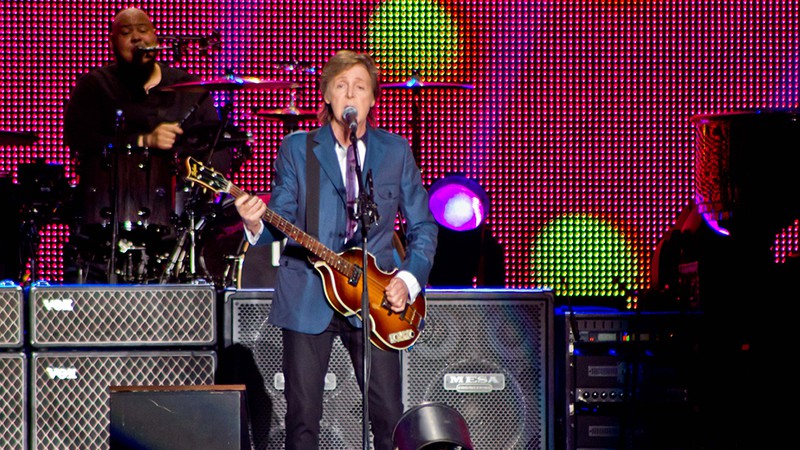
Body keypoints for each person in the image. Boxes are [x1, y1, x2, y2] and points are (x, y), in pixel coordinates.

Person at [233, 50, 438, 450]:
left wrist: (409, 280)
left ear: (373, 100)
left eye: (360, 88)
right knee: (303, 419)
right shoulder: (298, 149)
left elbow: (423, 226)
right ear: (326, 94)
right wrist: (256, 221)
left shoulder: (394, 151)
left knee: (388, 417)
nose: (350, 95)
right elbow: (283, 213)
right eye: (341, 86)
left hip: (377, 300)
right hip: (309, 292)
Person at [63, 7, 220, 283]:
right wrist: (144, 141)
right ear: (113, 42)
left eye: (142, 30)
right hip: (106, 220)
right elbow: (79, 139)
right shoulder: (95, 86)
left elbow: (215, 148)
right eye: (126, 32)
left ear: (156, 36)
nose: (136, 37)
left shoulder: (188, 88)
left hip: (176, 224)